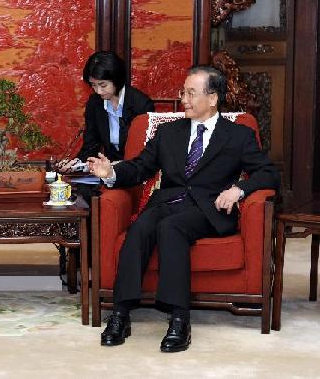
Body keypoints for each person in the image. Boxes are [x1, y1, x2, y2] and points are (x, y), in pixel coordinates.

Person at [87, 66, 280, 352]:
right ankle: (120, 313)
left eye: (191, 93)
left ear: (212, 98)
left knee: (171, 228)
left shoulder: (238, 135)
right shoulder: (168, 133)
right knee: (139, 228)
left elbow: (268, 173)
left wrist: (238, 190)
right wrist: (110, 174)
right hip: (168, 202)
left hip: (208, 208)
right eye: (183, 92)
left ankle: (179, 319)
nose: (184, 100)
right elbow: (141, 167)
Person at [57, 51, 154, 173]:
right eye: (93, 85)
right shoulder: (94, 103)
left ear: (117, 80)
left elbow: (146, 153)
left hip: (135, 172)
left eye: (103, 85)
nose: (98, 91)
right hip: (106, 173)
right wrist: (75, 163)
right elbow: (91, 145)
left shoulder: (141, 104)